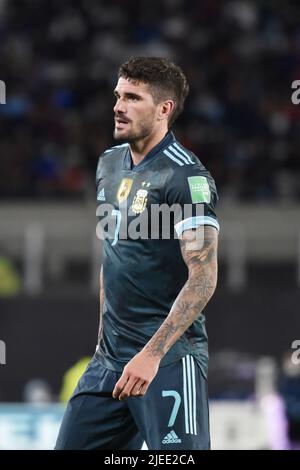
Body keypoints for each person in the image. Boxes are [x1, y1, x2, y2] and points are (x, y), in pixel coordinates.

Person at [55, 56, 219, 450]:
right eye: (117, 95)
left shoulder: (186, 177)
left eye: (132, 97)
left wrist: (151, 356)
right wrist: (101, 342)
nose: (118, 105)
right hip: (108, 363)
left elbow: (203, 278)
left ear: (164, 109)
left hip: (167, 361)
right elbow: (111, 255)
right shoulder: (108, 164)